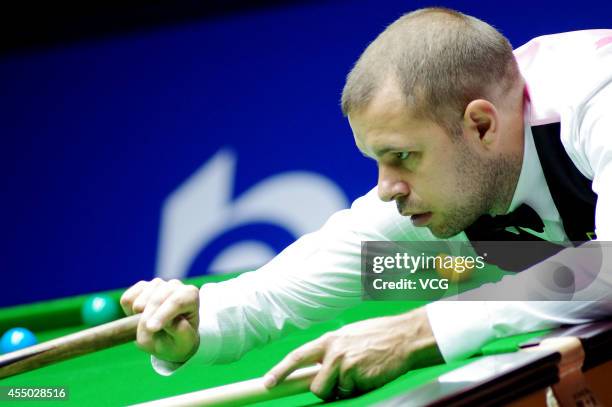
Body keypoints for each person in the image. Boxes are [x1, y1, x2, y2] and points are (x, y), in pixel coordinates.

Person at [120, 7, 612, 401]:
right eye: (377, 160)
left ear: (480, 126)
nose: (386, 188)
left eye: (402, 156)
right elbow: (293, 286)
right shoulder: (447, 185)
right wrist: (203, 322)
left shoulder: (597, 99)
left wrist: (419, 331)